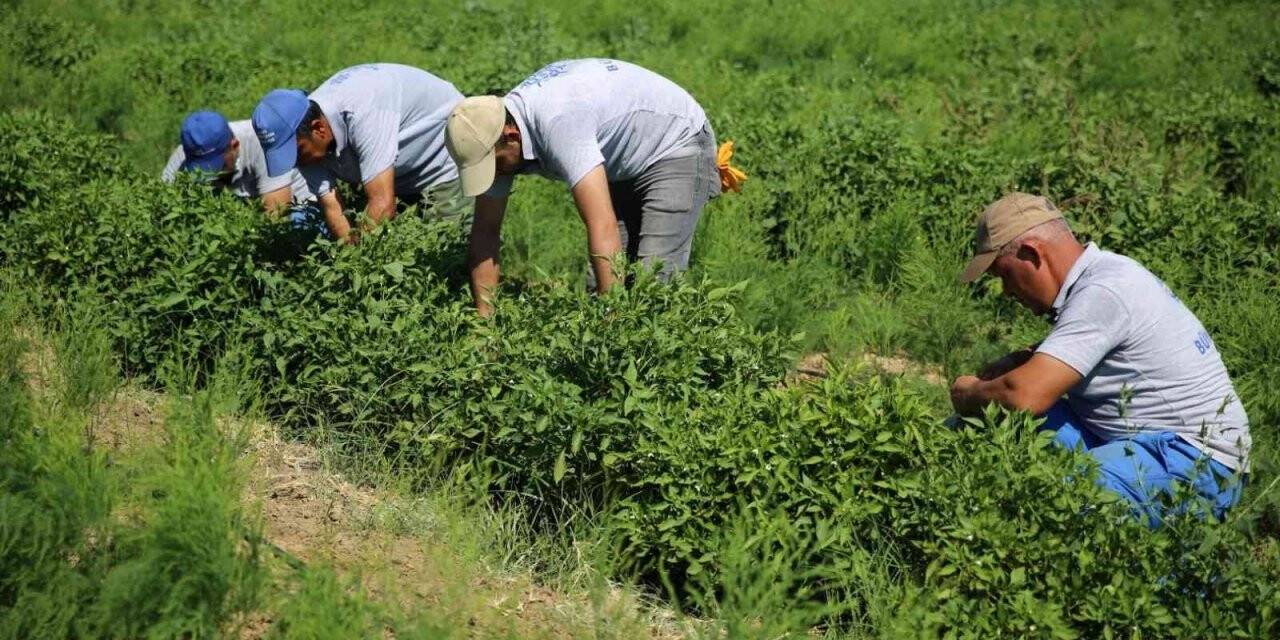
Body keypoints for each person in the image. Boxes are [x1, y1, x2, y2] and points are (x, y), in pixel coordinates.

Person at [949, 192, 1251, 527]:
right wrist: (1021, 361)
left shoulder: (1104, 291)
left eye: (1004, 274)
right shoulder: (1105, 276)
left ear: (1031, 253)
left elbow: (1022, 396)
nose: (1006, 290)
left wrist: (968, 393)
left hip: (1193, 463)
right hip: (1140, 444)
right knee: (985, 426)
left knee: (1061, 496)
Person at [444, 58, 740, 316]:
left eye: (493, 164)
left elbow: (601, 225)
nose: (493, 174)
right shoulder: (493, 132)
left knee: (653, 282)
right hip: (623, 156)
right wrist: (487, 325)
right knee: (599, 288)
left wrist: (609, 324)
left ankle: (657, 374)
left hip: (675, 143)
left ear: (510, 136)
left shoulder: (559, 123)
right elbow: (486, 230)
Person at [252, 64, 469, 243]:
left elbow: (383, 204)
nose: (295, 162)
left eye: (296, 152)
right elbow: (332, 205)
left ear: (319, 128)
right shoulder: (305, 137)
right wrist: (349, 256)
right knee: (399, 245)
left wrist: (358, 265)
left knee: (446, 247)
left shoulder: (363, 110)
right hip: (397, 169)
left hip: (441, 156)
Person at [161, 110, 314, 216]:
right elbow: (163, 203)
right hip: (244, 207)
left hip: (296, 204)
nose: (208, 175)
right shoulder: (185, 154)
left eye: (216, 166)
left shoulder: (261, 142)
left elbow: (278, 215)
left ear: (234, 146)